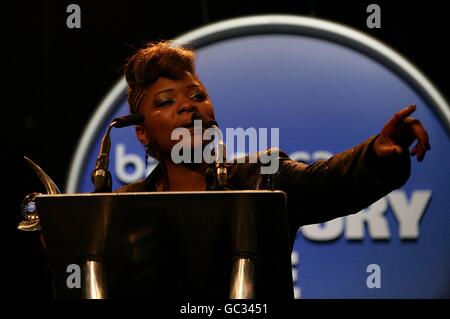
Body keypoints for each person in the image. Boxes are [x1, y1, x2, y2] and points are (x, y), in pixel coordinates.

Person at [114, 40, 430, 298]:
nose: (187, 105)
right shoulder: (125, 205)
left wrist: (376, 153)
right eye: (165, 101)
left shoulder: (262, 175)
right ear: (141, 131)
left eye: (198, 96)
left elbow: (327, 184)